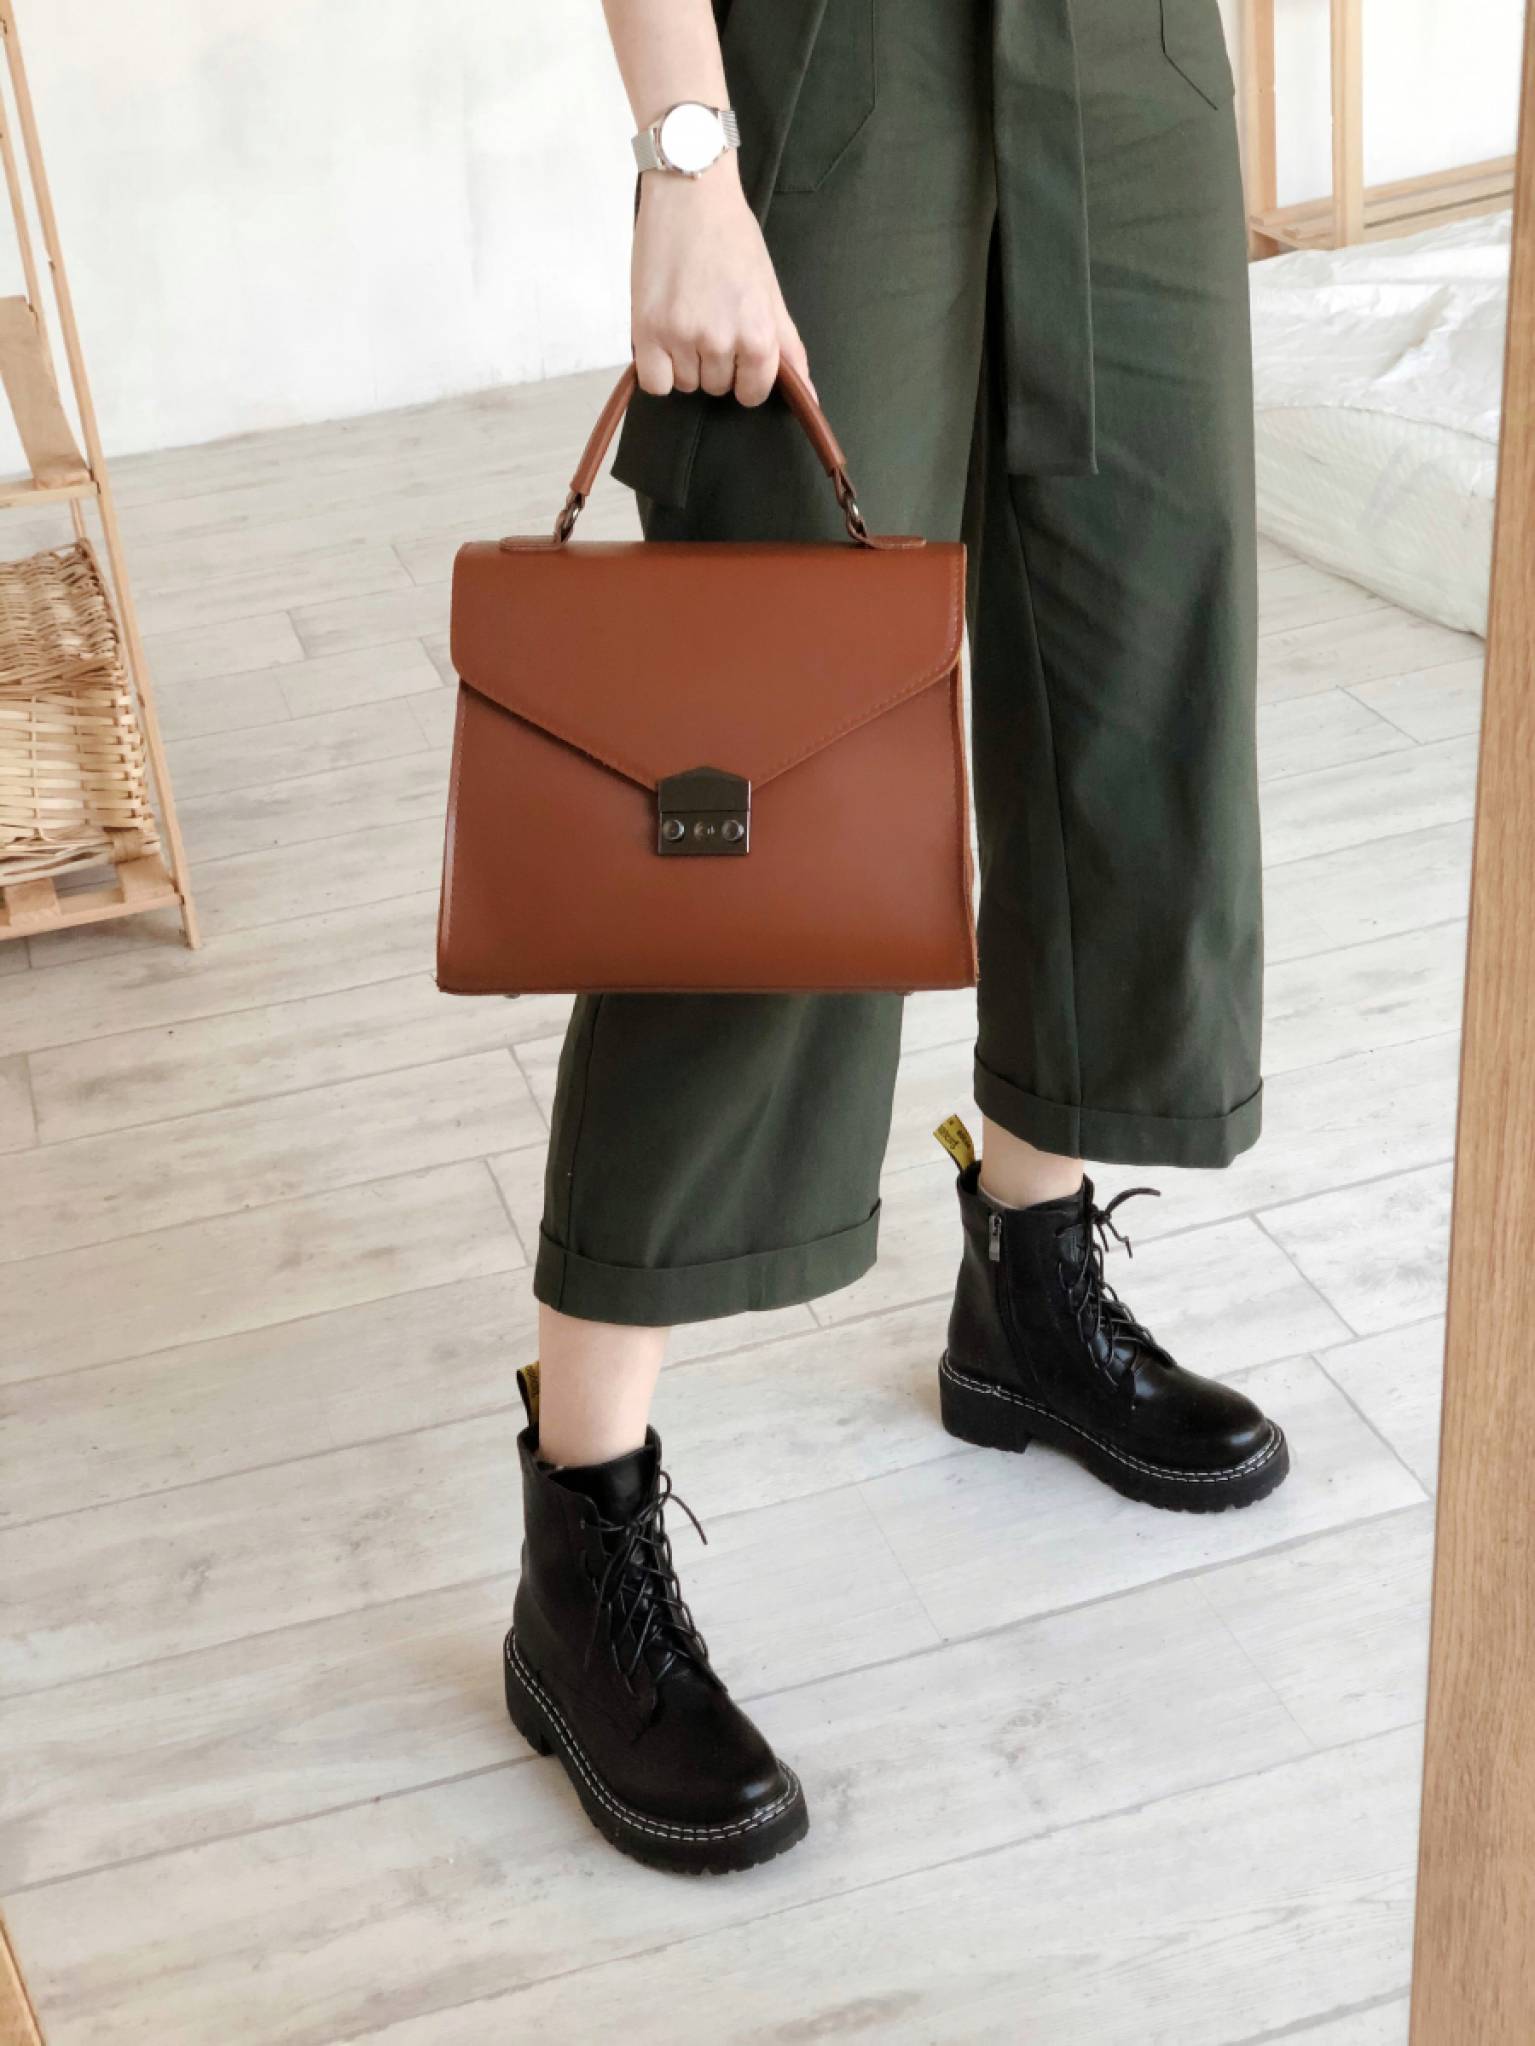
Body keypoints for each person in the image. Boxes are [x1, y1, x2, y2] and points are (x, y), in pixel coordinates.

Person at [503, 0, 1289, 1875]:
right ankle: (579, 1534)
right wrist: (686, 151)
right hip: (836, 58)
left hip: (1130, 57)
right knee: (765, 784)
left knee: (1140, 673)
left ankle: (1031, 1281)